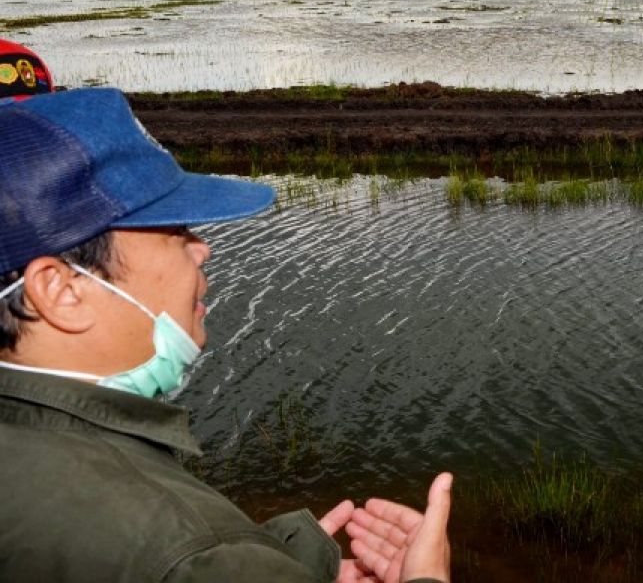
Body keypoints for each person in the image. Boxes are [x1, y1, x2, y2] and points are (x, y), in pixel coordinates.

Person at [0, 87, 451, 583]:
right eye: (175, 231)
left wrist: (265, 559)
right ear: (62, 291)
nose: (202, 250)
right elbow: (170, 548)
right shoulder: (187, 550)